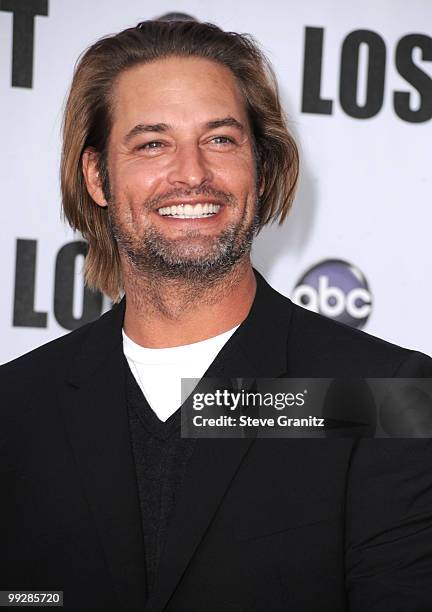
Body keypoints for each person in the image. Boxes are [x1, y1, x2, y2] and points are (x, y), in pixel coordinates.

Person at [1, 19, 432, 612]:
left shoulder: (382, 398)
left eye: (221, 139)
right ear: (97, 176)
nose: (192, 174)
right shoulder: (16, 408)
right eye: (153, 143)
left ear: (262, 164)